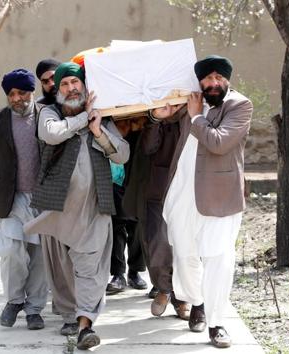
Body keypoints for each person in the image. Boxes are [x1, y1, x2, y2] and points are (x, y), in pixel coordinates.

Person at [24, 62, 129, 350]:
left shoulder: (102, 119)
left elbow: (122, 155)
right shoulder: (49, 112)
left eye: (76, 83)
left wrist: (97, 131)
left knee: (91, 269)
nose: (71, 88)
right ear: (57, 89)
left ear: (84, 86)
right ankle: (70, 313)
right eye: (65, 84)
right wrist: (83, 118)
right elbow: (51, 134)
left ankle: (85, 324)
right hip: (56, 209)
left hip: (95, 209)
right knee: (61, 269)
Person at [154, 55, 253, 348]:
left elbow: (219, 142)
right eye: (207, 79)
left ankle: (217, 323)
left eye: (218, 78)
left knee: (218, 259)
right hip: (183, 191)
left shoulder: (240, 106)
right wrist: (158, 114)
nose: (212, 83)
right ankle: (197, 301)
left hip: (220, 194)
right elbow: (163, 113)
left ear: (227, 79)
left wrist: (196, 116)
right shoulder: (193, 99)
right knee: (184, 255)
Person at [0, 69, 48, 331]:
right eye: (11, 94)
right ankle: (14, 301)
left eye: (21, 92)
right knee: (12, 253)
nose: (16, 98)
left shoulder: (47, 116)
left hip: (44, 199)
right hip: (11, 198)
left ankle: (35, 309)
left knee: (40, 256)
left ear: (31, 91)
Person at [136, 114, 191, 320]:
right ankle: (163, 288)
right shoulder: (156, 117)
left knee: (184, 245)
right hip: (159, 189)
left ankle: (182, 297)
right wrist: (156, 120)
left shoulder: (194, 114)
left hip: (189, 190)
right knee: (158, 242)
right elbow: (148, 147)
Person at [106, 135, 148, 295]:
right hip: (113, 173)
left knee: (137, 226)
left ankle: (135, 272)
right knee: (116, 225)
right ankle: (118, 274)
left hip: (137, 169)